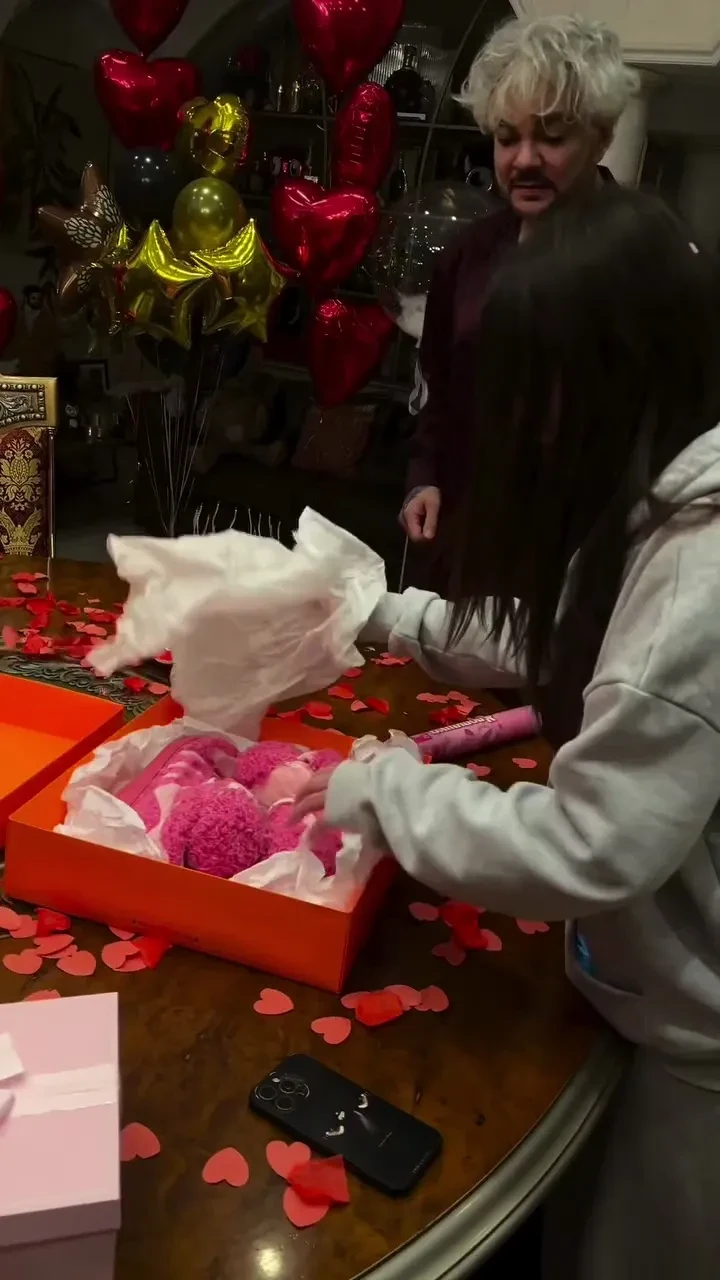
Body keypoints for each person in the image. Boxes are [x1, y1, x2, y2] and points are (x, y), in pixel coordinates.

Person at [296, 186, 720, 1279]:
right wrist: (384, 613)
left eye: (538, 391)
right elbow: (559, 632)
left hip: (700, 1044)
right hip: (638, 985)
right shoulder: (657, 494)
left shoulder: (699, 574)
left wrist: (387, 788)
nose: (522, 427)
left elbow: (590, 841)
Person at [402, 14, 638, 555]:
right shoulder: (469, 254)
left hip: (591, 553)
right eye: (507, 138)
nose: (525, 160)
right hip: (468, 536)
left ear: (602, 138)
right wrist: (425, 477)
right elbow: (440, 387)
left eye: (553, 137)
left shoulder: (646, 257)